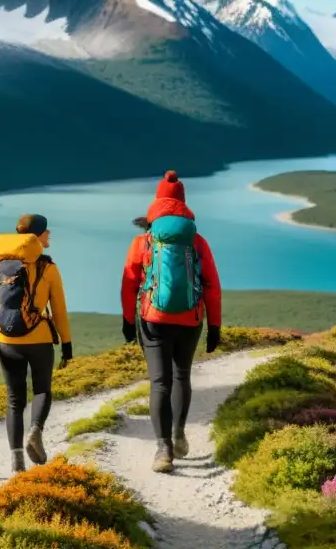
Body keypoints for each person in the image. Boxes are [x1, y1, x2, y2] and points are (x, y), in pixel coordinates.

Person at [121, 171, 222, 474]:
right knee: (182, 376)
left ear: (156, 203)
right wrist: (215, 326)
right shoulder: (197, 241)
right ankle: (178, 434)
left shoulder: (143, 241)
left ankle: (163, 450)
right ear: (183, 203)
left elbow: (128, 284)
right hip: (190, 318)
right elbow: (211, 286)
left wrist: (128, 320)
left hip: (153, 318)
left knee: (159, 383)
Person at [0, 213, 73, 473]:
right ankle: (35, 430)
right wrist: (66, 345)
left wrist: (3, 323)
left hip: (6, 342)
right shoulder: (48, 268)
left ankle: (17, 461)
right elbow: (59, 311)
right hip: (39, 340)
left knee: (14, 400)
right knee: (42, 390)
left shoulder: (1, 265)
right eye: (46, 232)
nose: (49, 235)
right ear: (36, 236)